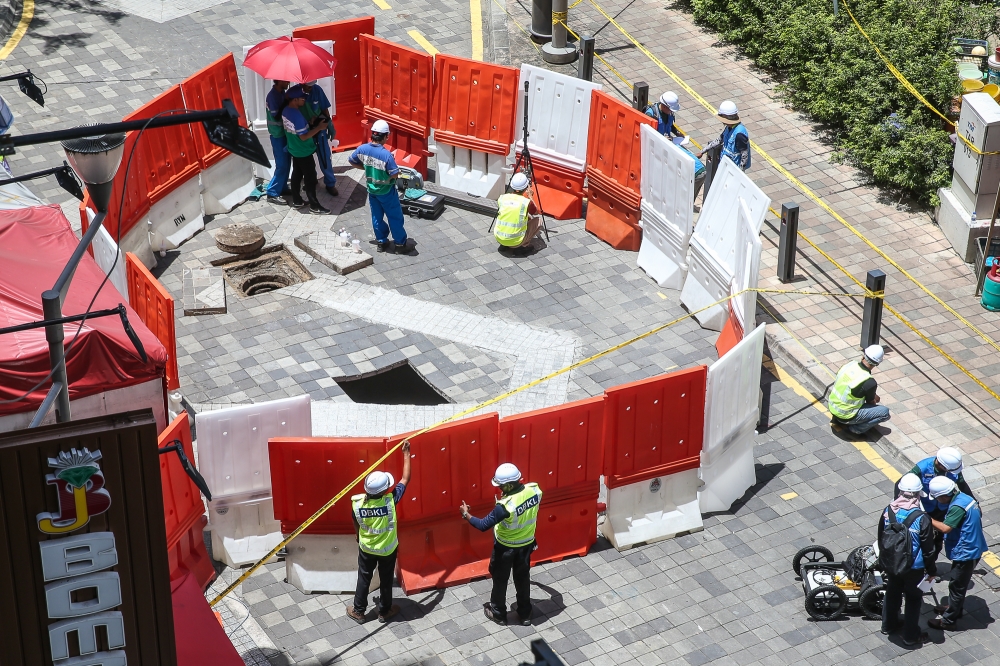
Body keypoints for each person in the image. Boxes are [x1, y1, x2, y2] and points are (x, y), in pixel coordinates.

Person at [459, 463, 541, 627]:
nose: (499, 489)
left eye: (501, 486)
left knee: (500, 579)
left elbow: (482, 525)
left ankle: (498, 614)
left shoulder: (504, 507)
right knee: (522, 578)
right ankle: (525, 614)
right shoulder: (535, 491)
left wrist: (466, 514)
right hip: (526, 545)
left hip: (505, 548)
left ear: (509, 485)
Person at [347, 441, 411, 624]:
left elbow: (354, 520)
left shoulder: (357, 503)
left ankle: (358, 611)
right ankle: (384, 611)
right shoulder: (390, 501)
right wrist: (406, 454)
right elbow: (405, 479)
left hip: (366, 548)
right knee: (385, 579)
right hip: (387, 550)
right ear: (385, 490)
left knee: (364, 578)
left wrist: (358, 534)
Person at [878, 473, 936, 646]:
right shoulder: (922, 518)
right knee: (913, 599)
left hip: (892, 563)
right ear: (918, 494)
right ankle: (910, 636)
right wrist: (932, 571)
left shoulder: (888, 510)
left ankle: (888, 625)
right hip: (913, 567)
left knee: (892, 592)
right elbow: (928, 549)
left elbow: (881, 537)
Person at [926, 476, 988, 631]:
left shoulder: (957, 507)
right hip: (973, 546)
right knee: (957, 584)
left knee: (957, 587)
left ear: (943, 496)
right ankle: (953, 608)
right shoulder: (965, 499)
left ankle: (949, 620)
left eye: (937, 498)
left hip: (966, 552)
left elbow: (945, 528)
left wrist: (926, 518)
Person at [896, 447, 975, 564]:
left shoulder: (953, 468)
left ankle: (931, 566)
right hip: (926, 508)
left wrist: (974, 502)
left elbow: (962, 485)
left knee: (938, 540)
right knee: (921, 538)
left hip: (943, 509)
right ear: (942, 465)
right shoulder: (922, 467)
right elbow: (901, 482)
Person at [349, 119, 411, 253]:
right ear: (386, 136)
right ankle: (400, 244)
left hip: (372, 191)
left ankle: (381, 242)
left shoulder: (362, 149)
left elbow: (351, 161)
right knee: (395, 217)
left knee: (376, 216)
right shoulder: (386, 155)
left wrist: (365, 168)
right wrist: (398, 173)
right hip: (387, 192)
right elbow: (394, 174)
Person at [281, 86, 329, 214]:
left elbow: (297, 130)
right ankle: (314, 205)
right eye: (302, 99)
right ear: (295, 99)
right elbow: (303, 136)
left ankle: (297, 200)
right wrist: (319, 127)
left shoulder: (286, 111)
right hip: (303, 151)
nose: (304, 101)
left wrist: (309, 122)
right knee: (310, 177)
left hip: (294, 149)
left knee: (296, 173)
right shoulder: (296, 115)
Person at [827, 344, 890, 434]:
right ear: (877, 363)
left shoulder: (849, 365)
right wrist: (873, 397)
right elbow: (871, 403)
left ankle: (839, 420)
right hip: (846, 415)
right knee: (885, 413)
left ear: (863, 356)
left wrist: (872, 394)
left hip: (832, 407)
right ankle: (856, 429)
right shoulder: (869, 382)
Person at [300, 80, 338, 197]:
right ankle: (311, 180)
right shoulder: (295, 93)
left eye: (311, 87)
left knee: (324, 158)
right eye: (308, 87)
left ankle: (330, 184)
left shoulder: (317, 90)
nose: (310, 89)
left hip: (319, 130)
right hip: (304, 131)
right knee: (306, 160)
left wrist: (329, 123)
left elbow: (324, 109)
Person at [494, 172, 542, 253]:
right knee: (539, 221)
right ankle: (523, 246)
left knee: (526, 217)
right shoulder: (526, 202)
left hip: (499, 238)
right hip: (516, 242)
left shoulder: (502, 198)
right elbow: (536, 212)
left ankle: (505, 244)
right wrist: (530, 197)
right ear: (526, 187)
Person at [697, 100, 751, 171]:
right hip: (724, 166)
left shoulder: (739, 134)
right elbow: (719, 140)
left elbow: (744, 156)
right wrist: (702, 152)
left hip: (732, 170)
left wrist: (739, 174)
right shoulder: (729, 127)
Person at [264, 80, 291, 205]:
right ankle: (272, 192)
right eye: (286, 81)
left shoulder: (281, 92)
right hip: (277, 134)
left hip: (283, 133)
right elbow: (276, 115)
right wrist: (286, 102)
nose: (289, 82)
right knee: (282, 165)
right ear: (279, 80)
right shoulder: (273, 96)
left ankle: (283, 187)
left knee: (287, 162)